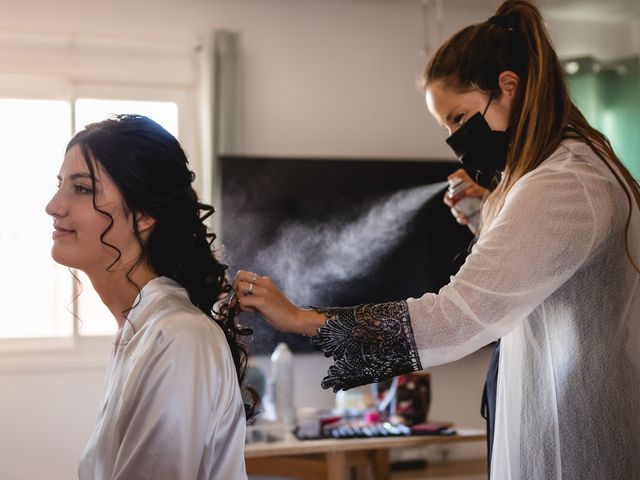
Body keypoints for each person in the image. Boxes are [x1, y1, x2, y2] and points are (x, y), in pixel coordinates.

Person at [232, 1, 640, 478]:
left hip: (575, 427)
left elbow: (455, 316)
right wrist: (488, 217)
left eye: (460, 118)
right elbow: (553, 279)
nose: (455, 139)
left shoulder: (562, 183)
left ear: (508, 87)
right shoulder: (572, 168)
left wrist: (303, 320)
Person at [45, 115, 251, 480]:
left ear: (143, 213)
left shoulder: (177, 336)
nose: (54, 205)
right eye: (61, 184)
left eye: (82, 189)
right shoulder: (139, 330)